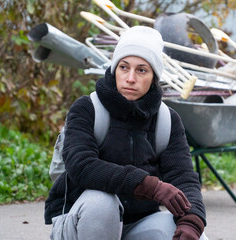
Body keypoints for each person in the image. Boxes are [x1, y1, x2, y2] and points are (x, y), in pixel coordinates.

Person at [44, 26, 208, 240]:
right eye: (124, 67)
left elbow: (184, 178)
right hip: (82, 222)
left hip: (139, 223)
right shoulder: (87, 108)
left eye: (141, 70)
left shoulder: (168, 120)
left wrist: (192, 221)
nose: (130, 78)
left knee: (197, 237)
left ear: (153, 77)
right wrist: (150, 186)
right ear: (114, 69)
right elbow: (82, 166)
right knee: (103, 203)